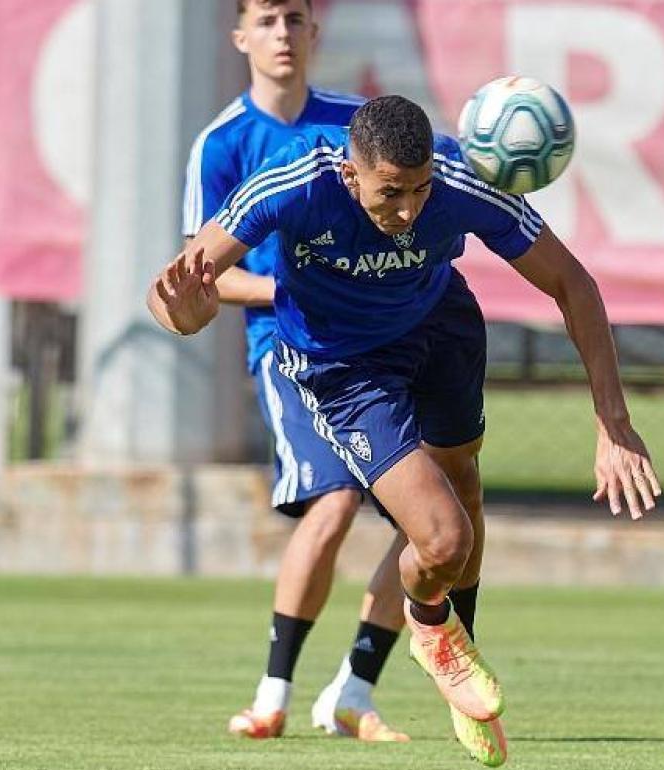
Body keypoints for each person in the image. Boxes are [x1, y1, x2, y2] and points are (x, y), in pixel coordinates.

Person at [152, 95, 661, 766]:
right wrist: (185, 314)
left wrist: (613, 424)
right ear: (351, 174)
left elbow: (571, 281)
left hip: (438, 326)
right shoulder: (292, 181)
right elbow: (176, 295)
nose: (409, 210)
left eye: (418, 190)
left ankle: (460, 674)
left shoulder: (458, 182)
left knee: (466, 491)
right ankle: (432, 631)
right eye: (390, 193)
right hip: (343, 367)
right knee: (445, 539)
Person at [182, 0, 407, 744]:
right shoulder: (223, 143)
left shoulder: (355, 127)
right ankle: (273, 693)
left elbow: (410, 203)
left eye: (295, 18)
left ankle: (355, 692)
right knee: (335, 499)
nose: (283, 34)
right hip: (287, 346)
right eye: (267, 19)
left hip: (375, 344)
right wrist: (293, 289)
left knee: (437, 525)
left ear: (317, 31)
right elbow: (199, 277)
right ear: (240, 35)